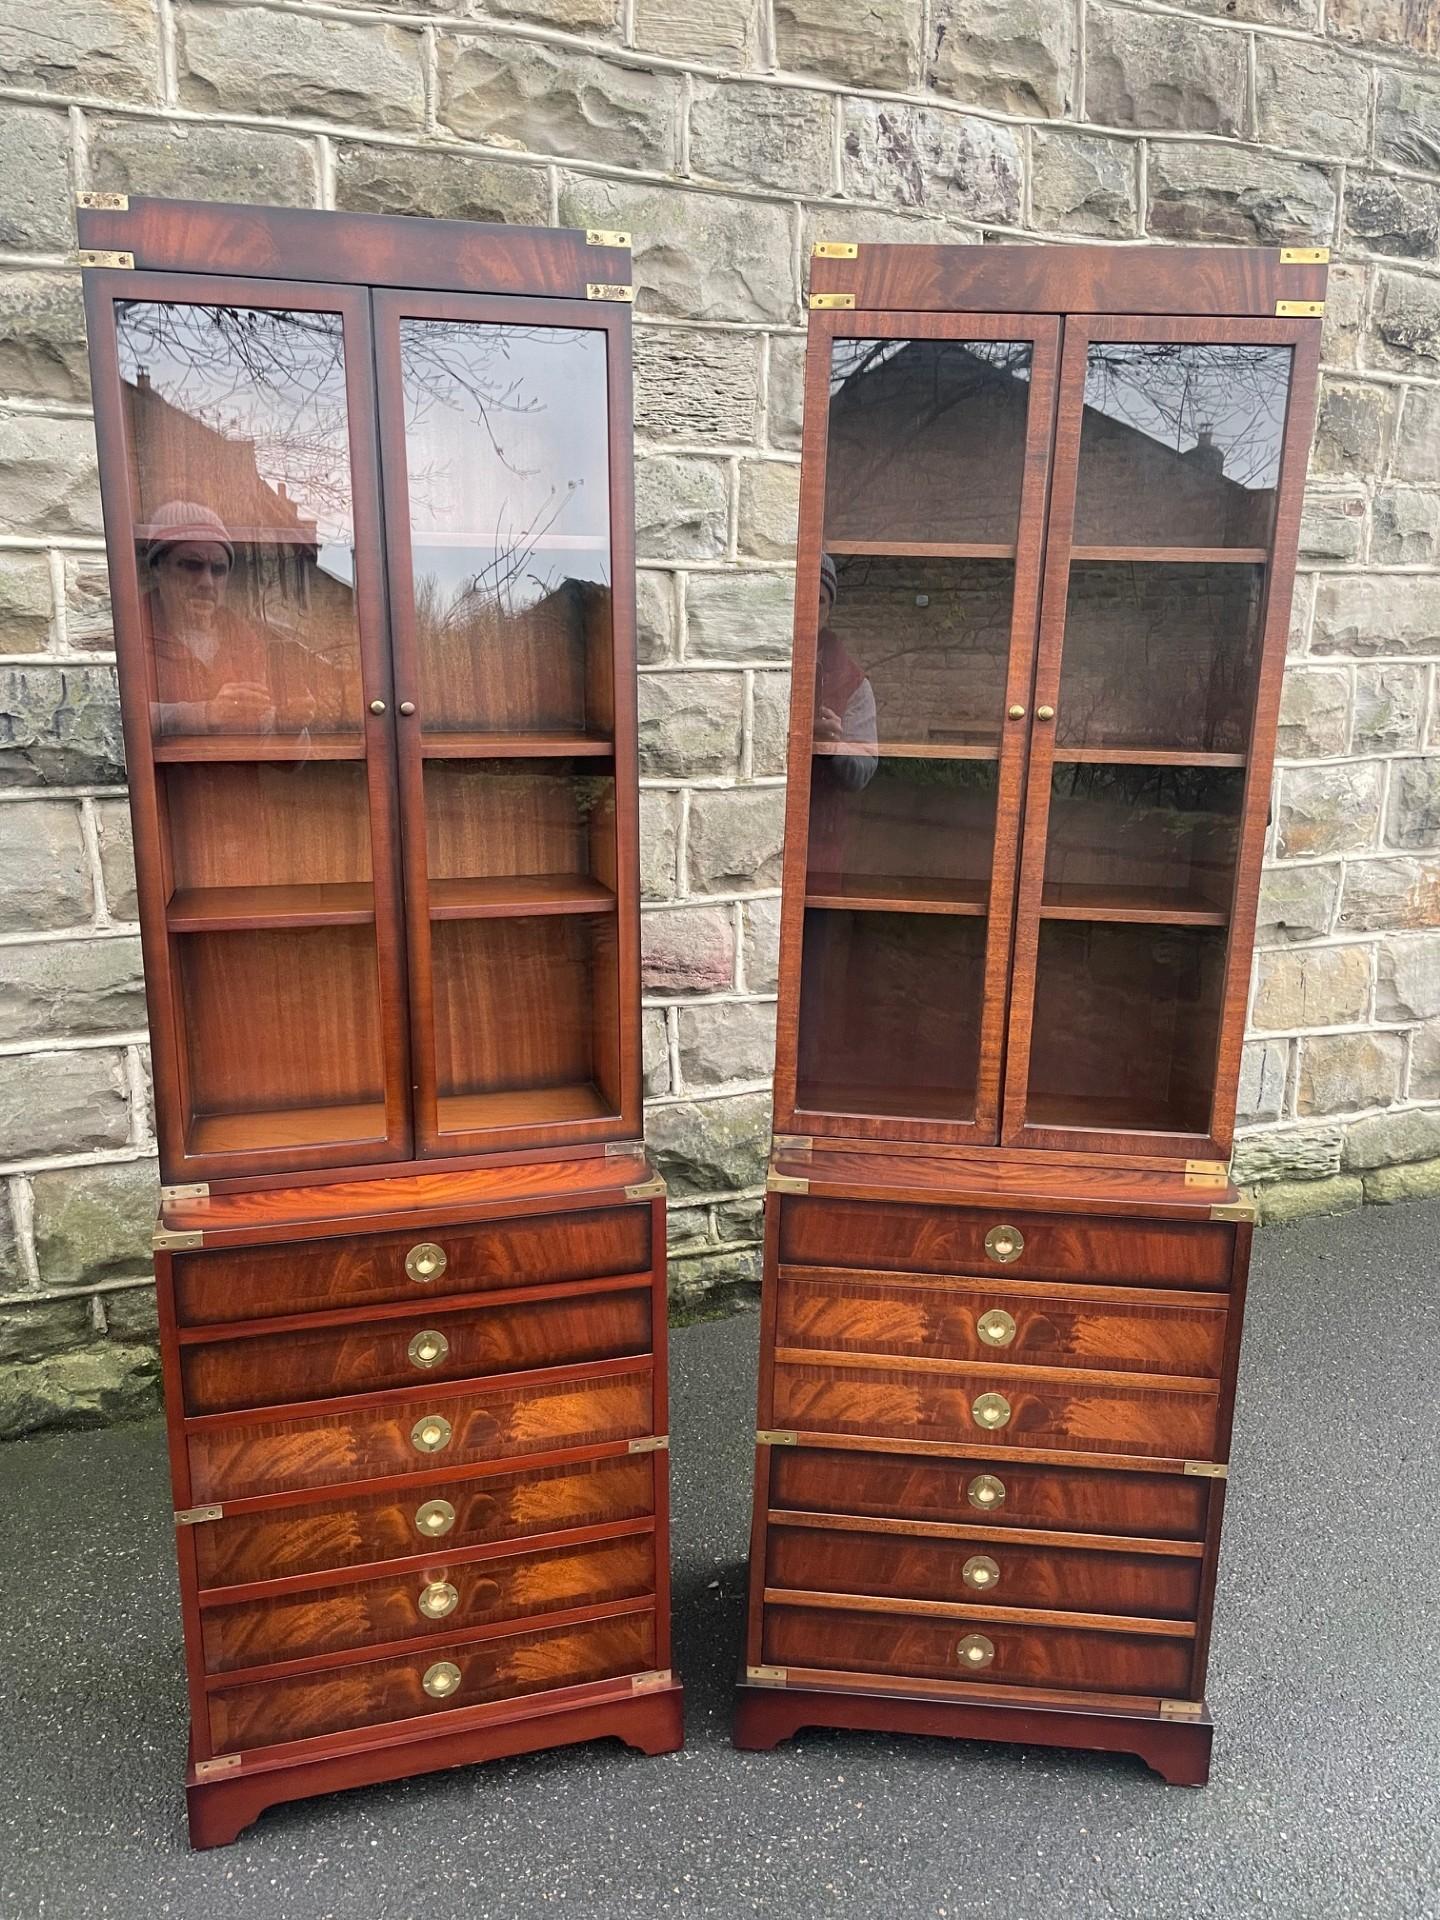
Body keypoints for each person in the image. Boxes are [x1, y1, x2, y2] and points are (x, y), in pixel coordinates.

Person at [143, 501, 322, 735]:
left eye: (218, 569)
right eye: (192, 566)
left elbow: (263, 738)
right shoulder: (131, 635)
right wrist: (205, 714)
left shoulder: (247, 644)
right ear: (158, 567)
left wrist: (287, 725)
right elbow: (114, 716)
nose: (207, 582)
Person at [807, 552, 878, 877]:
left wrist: (833, 749)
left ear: (829, 609)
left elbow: (862, 773)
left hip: (818, 838)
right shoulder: (757, 665)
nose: (810, 609)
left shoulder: (853, 682)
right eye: (803, 596)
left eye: (820, 600)